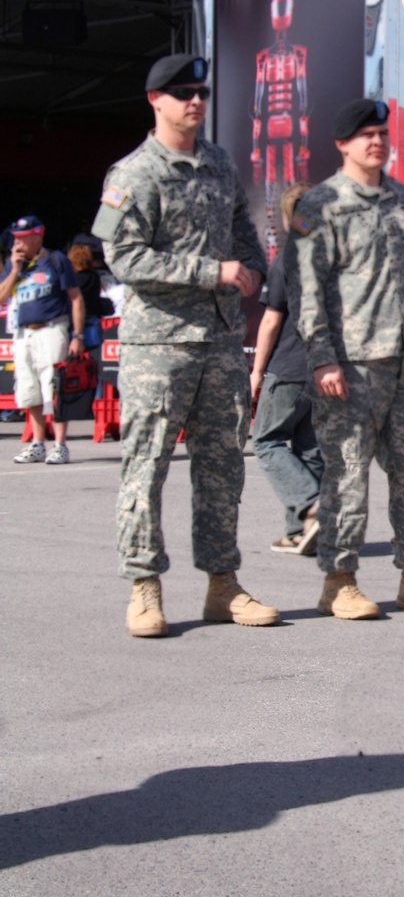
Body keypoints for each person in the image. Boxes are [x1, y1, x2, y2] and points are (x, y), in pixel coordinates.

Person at [91, 53, 280, 639]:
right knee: (145, 466)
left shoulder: (219, 165)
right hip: (158, 345)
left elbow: (246, 237)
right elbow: (122, 257)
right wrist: (212, 272)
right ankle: (144, 585)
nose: (194, 101)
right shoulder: (132, 174)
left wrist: (250, 268)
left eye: (199, 91)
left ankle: (222, 583)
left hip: (220, 343)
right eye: (180, 93)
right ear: (155, 102)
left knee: (223, 468)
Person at [285, 97, 404, 619]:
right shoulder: (318, 208)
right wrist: (321, 359)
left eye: (382, 132)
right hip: (350, 364)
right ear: (342, 144)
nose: (377, 141)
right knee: (345, 475)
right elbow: (306, 291)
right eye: (365, 134)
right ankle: (339, 581)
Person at [250, 181, 323, 554]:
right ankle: (302, 531)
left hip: (290, 365)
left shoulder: (287, 259)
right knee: (309, 446)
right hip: (325, 367)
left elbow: (271, 321)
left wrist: (256, 371)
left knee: (265, 440)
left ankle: (311, 504)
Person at [0, 215, 85, 465]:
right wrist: (15, 269)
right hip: (23, 332)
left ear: (38, 237)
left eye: (23, 238)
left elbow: (76, 297)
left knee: (54, 387)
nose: (19, 243)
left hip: (52, 328)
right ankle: (38, 443)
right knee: (28, 389)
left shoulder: (56, 260)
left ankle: (60, 445)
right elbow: (2, 297)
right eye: (16, 238)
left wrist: (77, 335)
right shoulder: (13, 264)